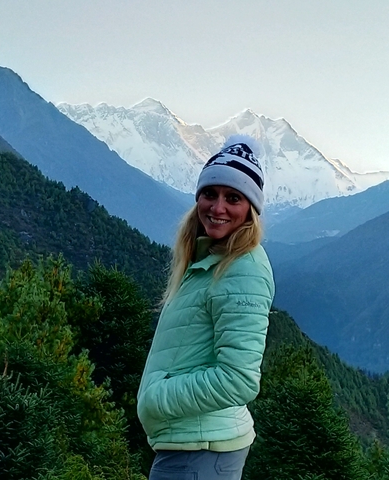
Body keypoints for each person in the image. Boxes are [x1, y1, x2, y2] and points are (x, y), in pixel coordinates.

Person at [137, 135, 275, 480]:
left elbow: (239, 379)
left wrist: (157, 398)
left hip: (202, 448)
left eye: (233, 198)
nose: (218, 207)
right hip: (193, 443)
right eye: (210, 193)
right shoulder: (208, 258)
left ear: (251, 209)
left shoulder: (243, 268)